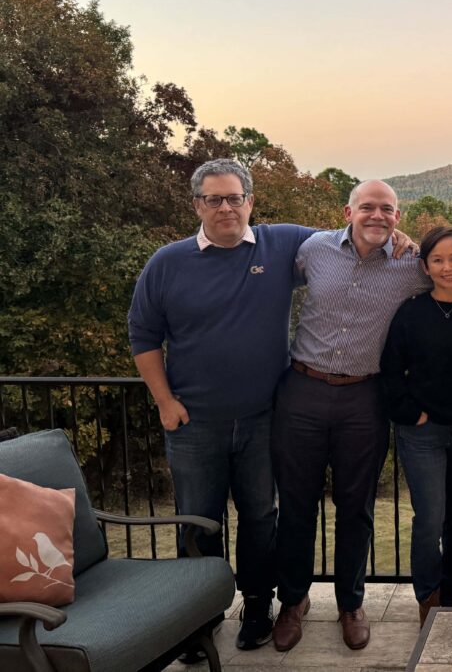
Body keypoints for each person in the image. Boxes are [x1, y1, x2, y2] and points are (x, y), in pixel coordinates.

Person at [128, 158, 315, 657]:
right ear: (197, 205)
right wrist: (164, 403)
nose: (226, 206)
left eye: (235, 197)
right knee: (196, 522)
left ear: (251, 201)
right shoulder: (167, 262)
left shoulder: (282, 244)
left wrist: (400, 242)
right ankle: (197, 619)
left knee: (260, 517)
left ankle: (258, 607)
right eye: (214, 198)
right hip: (193, 424)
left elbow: (352, 241)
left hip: (262, 418)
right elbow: (143, 336)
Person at [270, 180, 429, 653]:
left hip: (364, 398)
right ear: (348, 211)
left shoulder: (410, 264)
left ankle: (351, 603)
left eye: (387, 209)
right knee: (296, 504)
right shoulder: (313, 250)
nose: (377, 215)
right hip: (302, 389)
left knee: (355, 507)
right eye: (368, 207)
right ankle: (293, 602)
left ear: (398, 217)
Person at [381, 226, 452, 626]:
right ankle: (429, 595)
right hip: (422, 432)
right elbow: (390, 369)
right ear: (425, 266)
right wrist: (410, 413)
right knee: (430, 517)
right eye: (438, 260)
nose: (447, 267)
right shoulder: (411, 312)